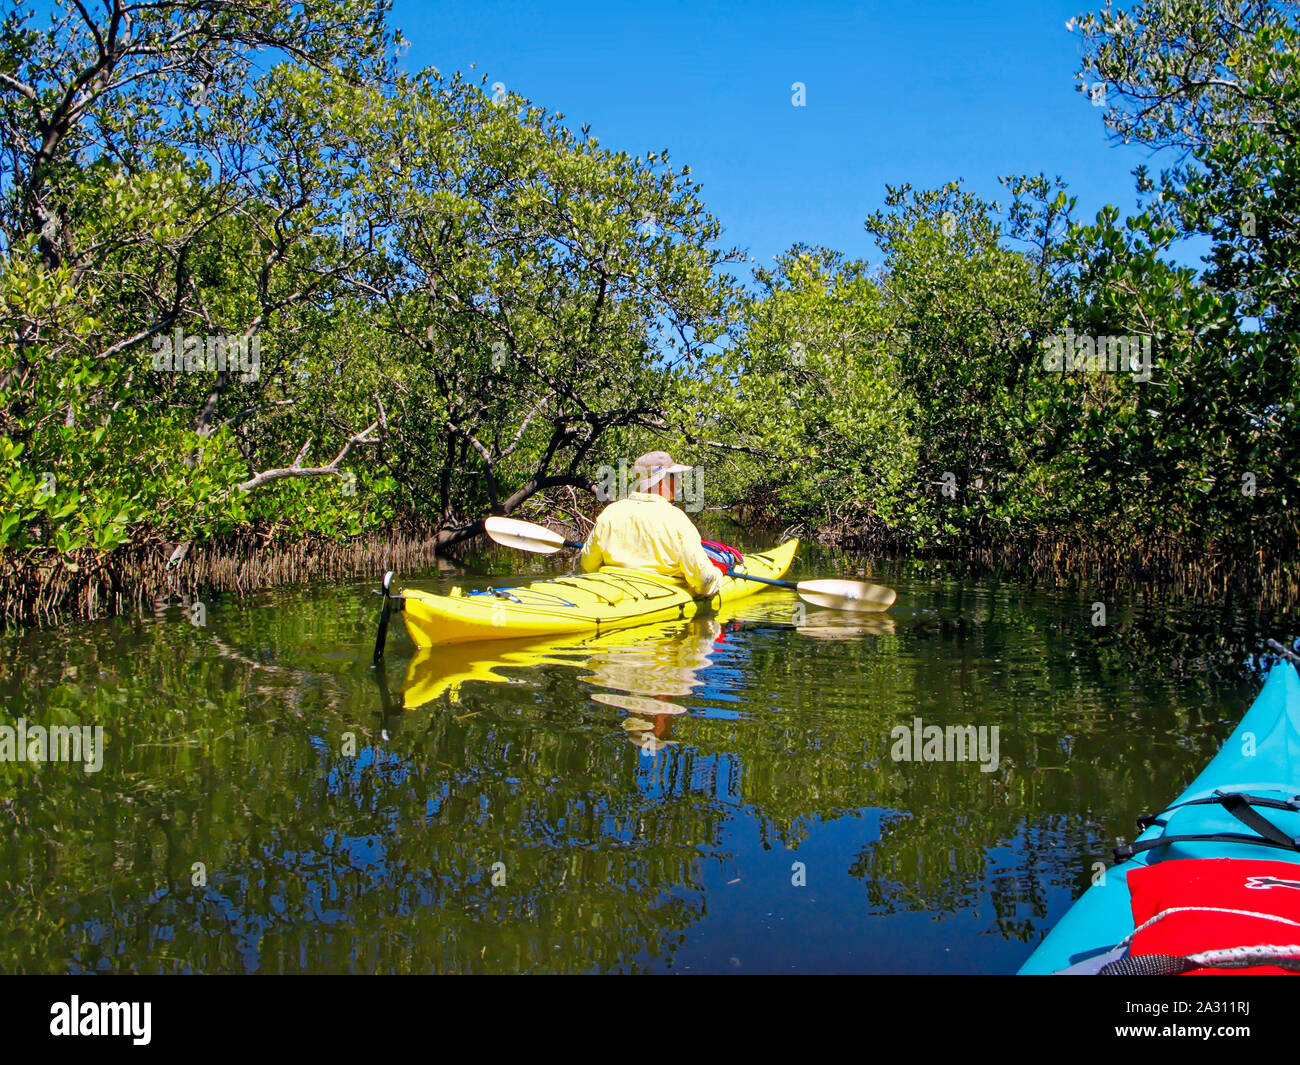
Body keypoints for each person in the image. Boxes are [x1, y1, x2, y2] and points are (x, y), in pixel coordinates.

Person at [579, 451, 723, 598]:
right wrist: (718, 574)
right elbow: (705, 580)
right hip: (661, 593)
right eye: (674, 476)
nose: (680, 481)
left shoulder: (610, 512)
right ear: (660, 482)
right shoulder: (677, 519)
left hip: (613, 588)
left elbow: (588, 564)